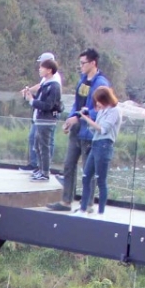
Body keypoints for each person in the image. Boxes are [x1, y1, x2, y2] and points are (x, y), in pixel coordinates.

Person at [48, 48, 111, 212]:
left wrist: (80, 117)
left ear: (93, 63)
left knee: (88, 170)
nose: (81, 66)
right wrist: (71, 120)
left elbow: (100, 108)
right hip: (77, 130)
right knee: (69, 165)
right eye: (80, 63)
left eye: (83, 63)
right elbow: (77, 103)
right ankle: (66, 201)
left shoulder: (101, 84)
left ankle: (88, 203)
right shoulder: (82, 81)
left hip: (90, 132)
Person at [77, 86, 122, 215]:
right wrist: (88, 118)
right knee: (86, 177)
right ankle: (83, 209)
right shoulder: (102, 111)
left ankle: (101, 212)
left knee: (101, 181)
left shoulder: (114, 111)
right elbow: (94, 129)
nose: (97, 104)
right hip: (95, 144)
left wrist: (86, 118)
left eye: (99, 100)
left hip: (104, 145)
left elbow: (103, 129)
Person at [20, 52, 61, 173]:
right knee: (36, 141)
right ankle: (38, 166)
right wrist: (30, 94)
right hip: (39, 117)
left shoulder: (54, 82)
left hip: (46, 119)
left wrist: (32, 100)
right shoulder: (46, 80)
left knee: (45, 144)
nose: (39, 68)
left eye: (42, 65)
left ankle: (43, 169)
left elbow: (48, 104)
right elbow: (40, 90)